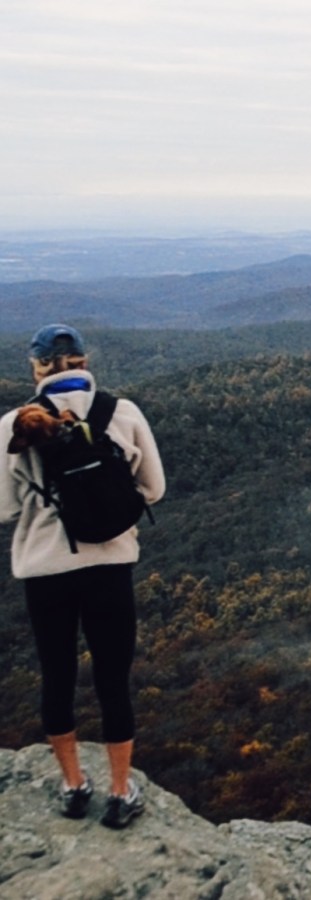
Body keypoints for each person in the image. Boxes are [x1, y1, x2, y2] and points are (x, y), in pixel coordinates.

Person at [0, 324, 165, 828]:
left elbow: (4, 510)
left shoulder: (13, 425)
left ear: (38, 367)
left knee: (57, 677)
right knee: (113, 680)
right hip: (110, 566)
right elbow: (153, 490)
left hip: (46, 572)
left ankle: (73, 787)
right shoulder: (123, 412)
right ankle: (120, 793)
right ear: (84, 361)